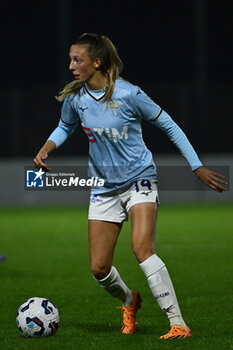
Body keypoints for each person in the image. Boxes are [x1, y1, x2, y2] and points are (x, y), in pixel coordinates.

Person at [34, 33, 227, 339]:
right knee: (99, 269)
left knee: (141, 247)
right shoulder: (76, 99)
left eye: (78, 59)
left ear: (97, 62)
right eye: (71, 59)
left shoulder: (128, 94)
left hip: (140, 178)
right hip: (102, 188)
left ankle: (178, 323)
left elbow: (169, 125)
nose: (71, 65)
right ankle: (129, 300)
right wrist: (46, 148)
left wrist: (197, 166)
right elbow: (65, 126)